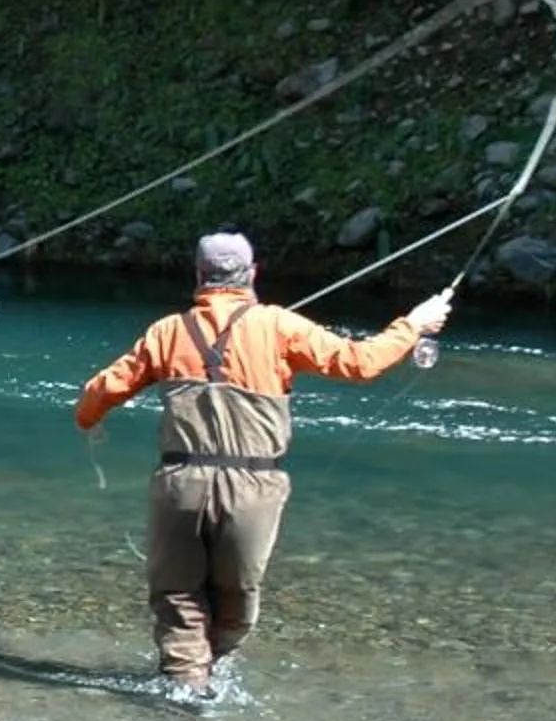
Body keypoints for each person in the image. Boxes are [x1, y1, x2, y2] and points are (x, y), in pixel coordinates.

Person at [74, 231, 453, 691]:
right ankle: (205, 678)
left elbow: (97, 396)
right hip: (253, 487)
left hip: (180, 483)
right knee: (237, 598)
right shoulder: (279, 326)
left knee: (177, 594)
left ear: (199, 276)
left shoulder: (167, 332)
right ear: (253, 274)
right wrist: (413, 324)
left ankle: (184, 687)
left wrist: (90, 421)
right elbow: (362, 363)